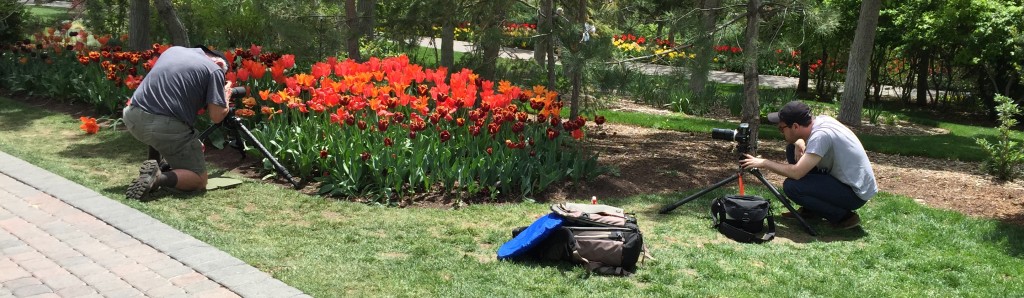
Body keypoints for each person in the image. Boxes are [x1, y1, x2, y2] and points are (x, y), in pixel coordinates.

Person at [739, 100, 878, 229]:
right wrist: (799, 141)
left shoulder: (821, 136)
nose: (780, 131)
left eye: (781, 128)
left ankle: (844, 217)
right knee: (792, 149)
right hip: (849, 184)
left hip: (855, 194)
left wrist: (764, 163)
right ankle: (811, 210)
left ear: (795, 126)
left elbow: (796, 173)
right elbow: (805, 138)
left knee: (792, 186)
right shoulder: (821, 121)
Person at [122, 45, 233, 200]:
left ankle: (153, 165)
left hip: (132, 116)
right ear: (221, 65)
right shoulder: (215, 70)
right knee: (199, 179)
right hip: (163, 126)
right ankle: (158, 178)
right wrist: (225, 96)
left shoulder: (173, 51)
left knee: (159, 121)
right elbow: (216, 116)